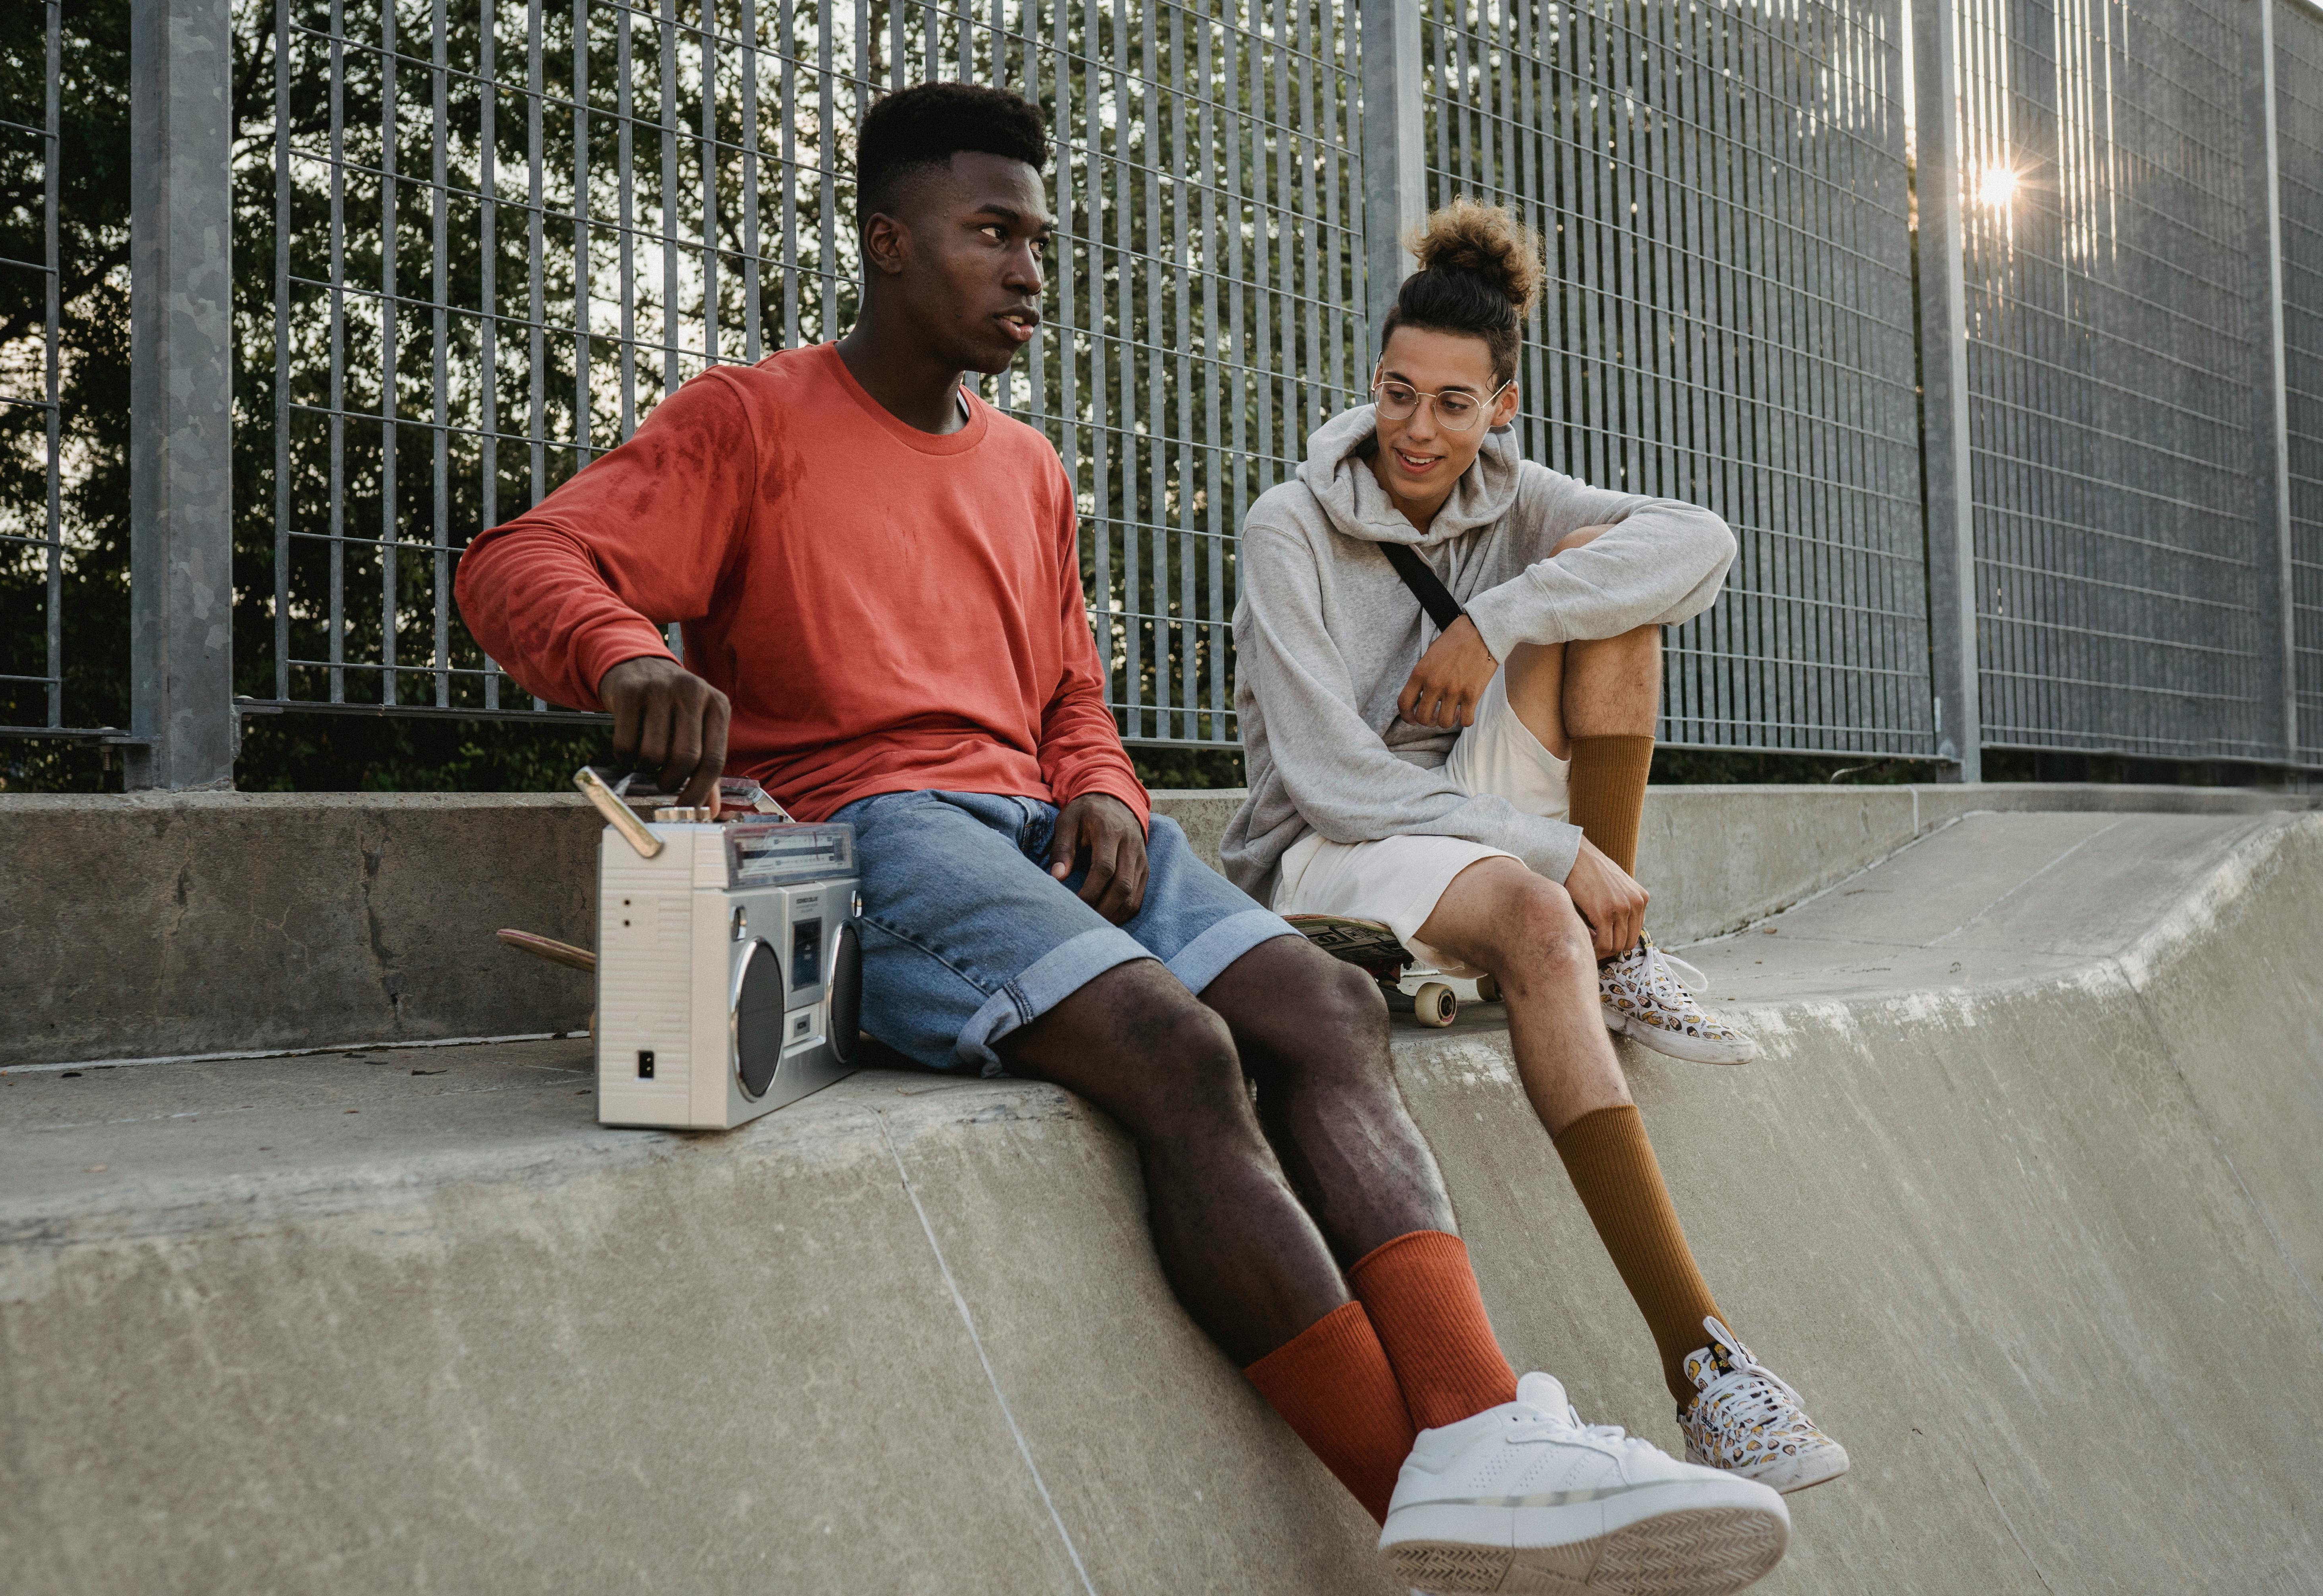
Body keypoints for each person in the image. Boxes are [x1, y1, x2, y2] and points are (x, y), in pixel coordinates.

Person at [457, 85, 1791, 1594]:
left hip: (1049, 824)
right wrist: (627, 658)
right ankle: (1425, 1491)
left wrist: (1096, 780)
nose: (1032, 267)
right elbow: (527, 557)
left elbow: (1070, 697)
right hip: (873, 834)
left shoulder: (1027, 471)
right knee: (1180, 1050)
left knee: (1325, 1008)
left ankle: (1482, 1438)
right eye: (993, 234)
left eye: (1041, 236)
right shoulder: (749, 421)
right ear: (890, 244)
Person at [1222, 198, 1850, 1507]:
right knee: (1538, 915)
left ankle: (1620, 960)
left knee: (1617, 595)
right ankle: (1703, 1363)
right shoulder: (1291, 526)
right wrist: (1553, 849)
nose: (1417, 431)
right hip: (1336, 844)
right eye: (1399, 394)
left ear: (1503, 408)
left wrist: (1499, 615)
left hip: (1464, 795)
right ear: (1373, 382)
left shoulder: (1518, 498)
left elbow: (1702, 543)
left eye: (1455, 405)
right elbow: (1335, 782)